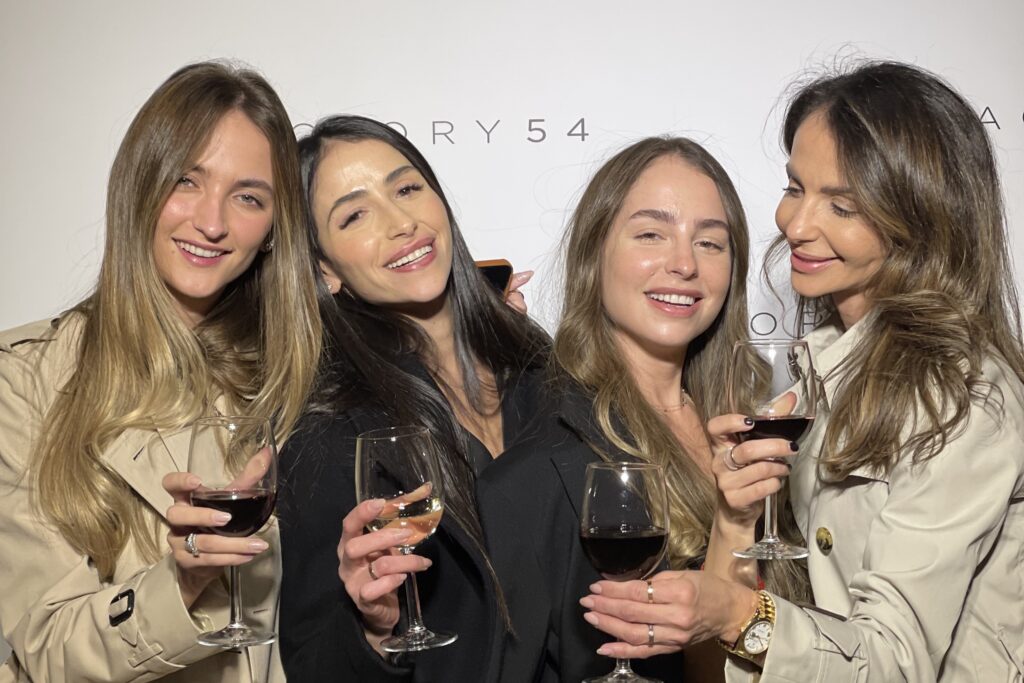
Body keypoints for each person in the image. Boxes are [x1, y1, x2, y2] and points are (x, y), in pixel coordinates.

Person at [578, 61, 1024, 682]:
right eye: (795, 188)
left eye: (841, 205)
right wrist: (735, 516)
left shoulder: (965, 400)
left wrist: (738, 615)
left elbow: (895, 664)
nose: (796, 225)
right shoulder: (820, 377)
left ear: (921, 218)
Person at [0, 62, 321, 682]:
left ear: (273, 228)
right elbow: (46, 648)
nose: (212, 222)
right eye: (186, 181)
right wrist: (182, 583)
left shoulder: (298, 372)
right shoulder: (27, 381)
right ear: (139, 187)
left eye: (248, 197)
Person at [477, 136, 806, 682]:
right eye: (652, 234)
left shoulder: (752, 429)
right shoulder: (540, 473)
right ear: (594, 253)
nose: (684, 264)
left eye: (710, 242)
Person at [276, 115, 551, 683]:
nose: (402, 223)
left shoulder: (540, 365)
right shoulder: (331, 434)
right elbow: (311, 664)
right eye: (355, 215)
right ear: (325, 270)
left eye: (406, 189)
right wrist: (374, 630)